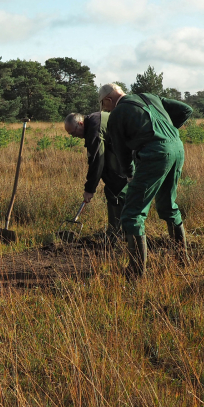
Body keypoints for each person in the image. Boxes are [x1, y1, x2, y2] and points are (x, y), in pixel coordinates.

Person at [98, 83, 193, 278]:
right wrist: (167, 132)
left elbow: (121, 151)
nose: (104, 110)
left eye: (103, 105)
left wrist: (129, 174)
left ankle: (136, 271)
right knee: (167, 205)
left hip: (155, 156)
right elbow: (186, 109)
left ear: (108, 100)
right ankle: (183, 260)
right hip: (177, 149)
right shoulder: (151, 97)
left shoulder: (117, 114)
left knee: (132, 214)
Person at [63, 111, 128, 244]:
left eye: (73, 132)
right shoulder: (93, 120)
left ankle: (121, 234)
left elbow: (97, 160)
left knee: (117, 192)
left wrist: (90, 189)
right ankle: (115, 231)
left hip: (127, 155)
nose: (74, 136)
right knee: (112, 189)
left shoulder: (94, 128)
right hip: (120, 152)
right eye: (70, 134)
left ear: (80, 123)